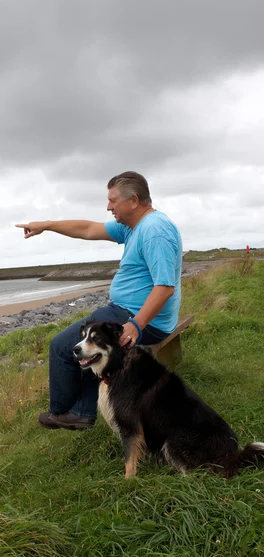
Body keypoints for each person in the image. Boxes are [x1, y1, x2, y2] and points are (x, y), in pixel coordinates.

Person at [16, 171, 183, 431]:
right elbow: (88, 229)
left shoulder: (154, 231)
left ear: (134, 200)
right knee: (86, 335)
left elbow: (164, 288)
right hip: (126, 311)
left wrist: (136, 325)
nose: (108, 207)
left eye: (113, 201)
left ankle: (64, 412)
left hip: (143, 319)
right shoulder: (134, 227)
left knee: (62, 346)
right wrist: (46, 225)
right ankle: (82, 410)